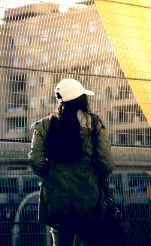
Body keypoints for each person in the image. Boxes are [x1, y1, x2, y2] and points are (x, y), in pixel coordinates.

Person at [28, 78, 115, 246]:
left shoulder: (45, 125)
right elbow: (107, 164)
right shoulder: (95, 124)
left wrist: (52, 172)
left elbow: (36, 160)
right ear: (82, 99)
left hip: (58, 199)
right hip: (88, 199)